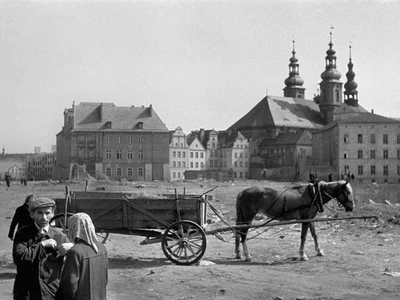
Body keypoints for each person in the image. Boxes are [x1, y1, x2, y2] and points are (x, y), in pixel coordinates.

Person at [12, 197, 73, 300]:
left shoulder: (60, 236)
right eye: (40, 213)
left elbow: (73, 262)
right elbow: (19, 257)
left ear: (53, 214)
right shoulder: (23, 234)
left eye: (48, 213)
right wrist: (42, 245)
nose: (44, 217)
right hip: (27, 293)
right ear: (32, 215)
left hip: (50, 292)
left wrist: (71, 248)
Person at [56, 213, 108, 300]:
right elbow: (105, 280)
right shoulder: (102, 248)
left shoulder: (75, 252)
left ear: (74, 228)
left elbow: (70, 285)